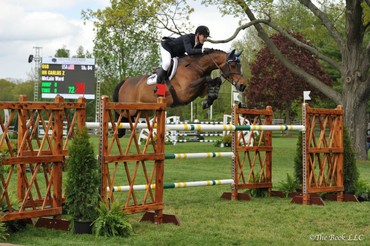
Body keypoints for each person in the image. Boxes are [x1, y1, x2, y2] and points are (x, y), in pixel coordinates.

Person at [155, 25, 212, 96]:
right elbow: (189, 51)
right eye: (204, 36)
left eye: (206, 37)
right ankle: (158, 87)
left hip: (178, 52)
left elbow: (195, 57)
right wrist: (203, 50)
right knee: (166, 63)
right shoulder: (187, 38)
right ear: (198, 34)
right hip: (167, 47)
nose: (205, 39)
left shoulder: (199, 44)